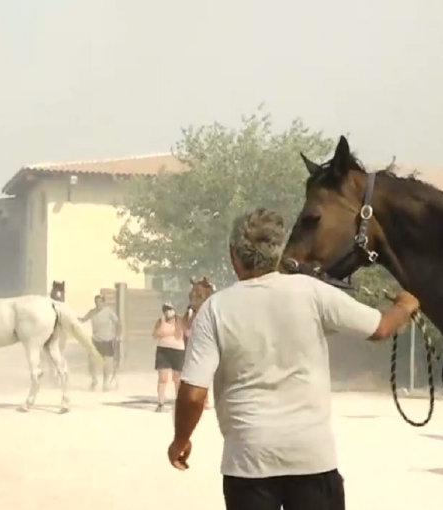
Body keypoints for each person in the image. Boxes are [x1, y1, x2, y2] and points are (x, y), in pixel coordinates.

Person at [167, 207, 420, 510]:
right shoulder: (312, 292)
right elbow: (380, 327)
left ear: (233, 254)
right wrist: (405, 305)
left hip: (248, 465)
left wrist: (180, 440)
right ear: (277, 253)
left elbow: (193, 395)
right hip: (311, 459)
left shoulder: (215, 309)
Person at [79, 294, 121, 391]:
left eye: (100, 302)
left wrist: (117, 336)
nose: (98, 304)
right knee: (91, 361)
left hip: (107, 340)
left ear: (103, 302)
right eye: (97, 302)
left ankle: (106, 383)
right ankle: (94, 380)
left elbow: (118, 323)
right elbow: (83, 320)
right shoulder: (92, 312)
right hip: (96, 340)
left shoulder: (108, 312)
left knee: (107, 363)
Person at [152, 302, 185, 413]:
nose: (168, 311)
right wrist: (161, 325)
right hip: (163, 350)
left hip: (178, 350)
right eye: (166, 309)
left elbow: (187, 330)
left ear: (174, 310)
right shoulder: (160, 321)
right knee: (162, 377)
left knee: (177, 378)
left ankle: (179, 402)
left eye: (170, 309)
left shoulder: (180, 321)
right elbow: (155, 335)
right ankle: (161, 403)